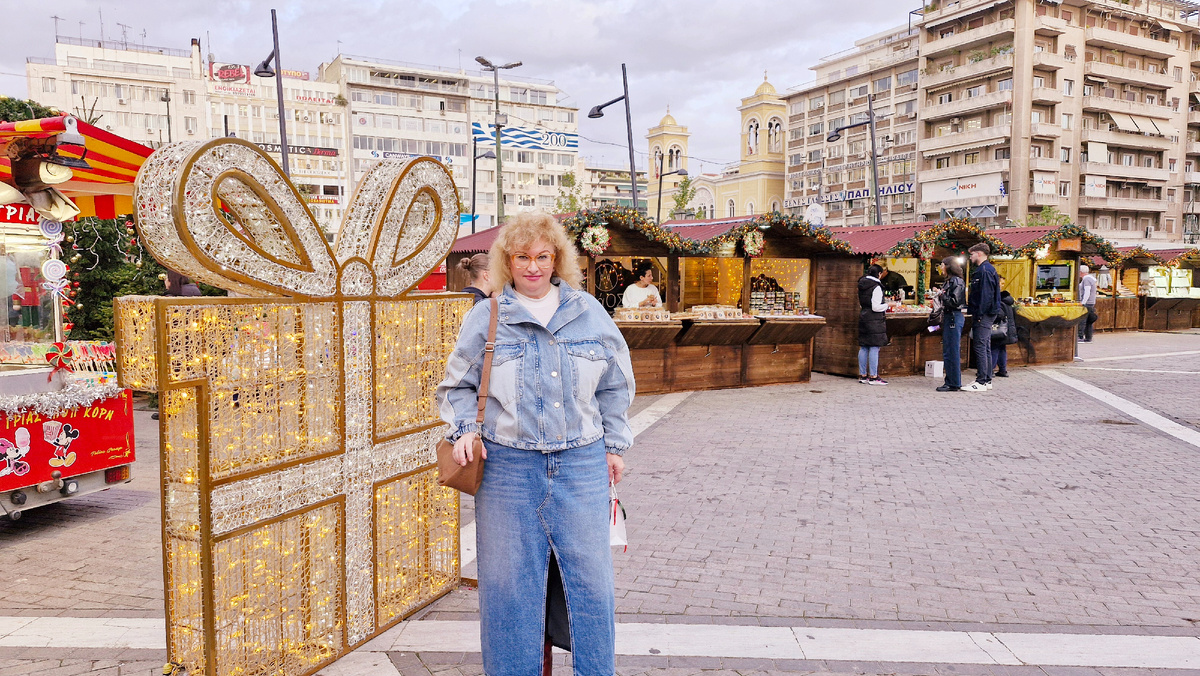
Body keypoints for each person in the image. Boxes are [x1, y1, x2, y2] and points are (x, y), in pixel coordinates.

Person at [436, 211, 635, 676]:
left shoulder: (589, 312)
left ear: (557, 259)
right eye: (522, 257)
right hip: (507, 469)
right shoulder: (486, 317)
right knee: (508, 588)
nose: (533, 267)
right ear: (507, 261)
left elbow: (615, 384)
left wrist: (614, 445)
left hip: (581, 464)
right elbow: (457, 385)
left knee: (591, 586)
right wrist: (465, 429)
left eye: (543, 256)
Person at [965, 243, 1002, 392]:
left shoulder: (984, 271)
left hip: (984, 313)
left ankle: (981, 381)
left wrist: (980, 314)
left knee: (980, 346)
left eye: (972, 254)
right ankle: (986, 379)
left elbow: (985, 295)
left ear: (979, 253)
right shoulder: (988, 269)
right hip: (987, 313)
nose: (970, 257)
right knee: (985, 346)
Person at [936, 256, 966, 392]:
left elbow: (955, 301)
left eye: (942, 265)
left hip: (953, 317)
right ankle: (951, 381)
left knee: (952, 350)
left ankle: (953, 382)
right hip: (950, 317)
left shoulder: (956, 281)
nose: (941, 268)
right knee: (949, 349)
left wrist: (941, 295)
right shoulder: (951, 281)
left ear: (948, 266)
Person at [857, 263, 889, 385]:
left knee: (864, 347)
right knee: (874, 347)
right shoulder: (876, 287)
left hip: (864, 316)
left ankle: (863, 375)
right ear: (879, 274)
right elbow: (876, 307)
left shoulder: (862, 284)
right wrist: (887, 305)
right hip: (874, 319)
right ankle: (874, 376)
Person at [992, 290, 1018, 377]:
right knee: (1002, 349)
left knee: (994, 348)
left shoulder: (999, 302)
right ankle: (1003, 370)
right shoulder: (1008, 302)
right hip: (1007, 330)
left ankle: (990, 370)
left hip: (1000, 329)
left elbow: (999, 315)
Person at [1078, 264, 1098, 342]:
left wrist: (1083, 302)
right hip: (1091, 302)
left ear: (1081, 272)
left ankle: (1080, 336)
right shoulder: (1090, 279)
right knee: (1089, 321)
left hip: (1087, 303)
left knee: (1083, 320)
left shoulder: (1086, 279)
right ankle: (1088, 337)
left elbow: (1087, 291)